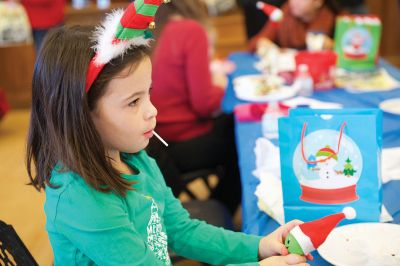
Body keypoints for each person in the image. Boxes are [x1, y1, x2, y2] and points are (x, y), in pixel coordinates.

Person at [26, 1, 311, 265]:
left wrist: (259, 247)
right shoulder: (83, 201)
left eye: (147, 94)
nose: (153, 112)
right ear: (81, 114)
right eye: (133, 102)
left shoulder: (137, 159)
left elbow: (181, 231)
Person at [148, 0, 241, 214]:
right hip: (181, 139)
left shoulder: (155, 29)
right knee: (242, 137)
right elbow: (204, 105)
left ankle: (216, 209)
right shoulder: (190, 30)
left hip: (156, 138)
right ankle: (220, 210)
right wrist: (221, 85)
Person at [248, 0, 339, 51]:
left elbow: (346, 50)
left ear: (318, 2)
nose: (294, 2)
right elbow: (256, 41)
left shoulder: (336, 18)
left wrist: (333, 46)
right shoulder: (283, 13)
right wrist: (261, 43)